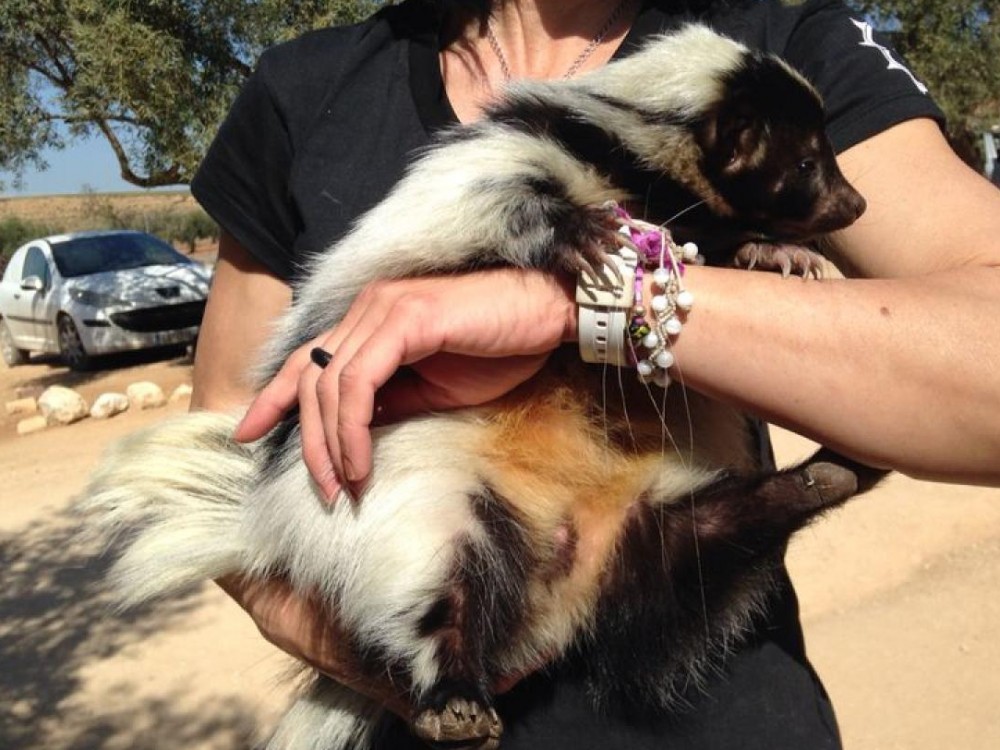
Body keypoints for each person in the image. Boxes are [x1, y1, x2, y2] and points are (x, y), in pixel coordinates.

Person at [189, 0, 1000, 747]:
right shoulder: (311, 88)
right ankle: (447, 654)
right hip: (457, 543)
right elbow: (222, 432)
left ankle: (779, 500)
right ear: (731, 143)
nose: (844, 205)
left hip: (707, 697)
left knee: (687, 532)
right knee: (463, 549)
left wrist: (582, 305)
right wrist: (356, 653)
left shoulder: (777, 45)